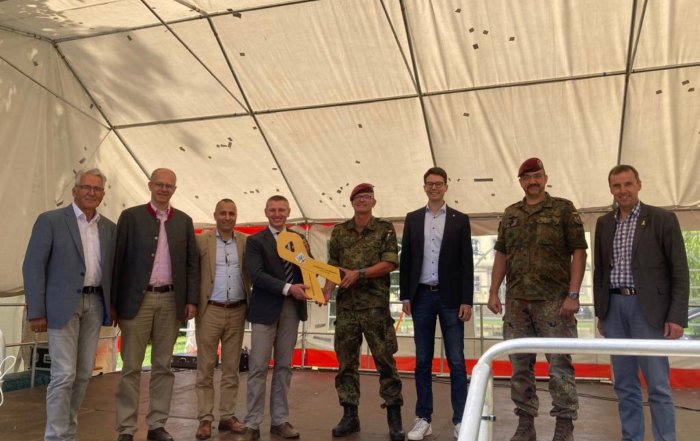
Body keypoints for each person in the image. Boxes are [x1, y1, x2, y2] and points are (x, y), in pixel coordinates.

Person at [487, 158, 587, 441]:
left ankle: (564, 427)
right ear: (521, 182)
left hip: (555, 303)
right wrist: (493, 291)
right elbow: (502, 254)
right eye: (527, 177)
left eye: (537, 176)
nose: (532, 181)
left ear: (545, 178)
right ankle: (525, 424)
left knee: (559, 366)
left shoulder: (563, 209)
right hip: (517, 303)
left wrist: (573, 294)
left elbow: (579, 251)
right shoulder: (511, 214)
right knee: (520, 366)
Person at [593, 164, 689, 441]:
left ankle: (665, 438)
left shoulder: (662, 219)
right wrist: (601, 313)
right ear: (610, 189)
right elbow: (600, 272)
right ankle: (631, 437)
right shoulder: (604, 223)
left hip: (649, 311)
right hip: (614, 309)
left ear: (639, 185)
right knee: (624, 384)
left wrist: (676, 316)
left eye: (628, 184)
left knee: (657, 385)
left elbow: (679, 270)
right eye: (617, 185)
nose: (622, 190)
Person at [23, 168, 116, 441]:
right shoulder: (51, 221)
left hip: (95, 304)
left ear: (103, 194)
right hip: (61, 306)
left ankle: (68, 434)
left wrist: (112, 306)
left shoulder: (109, 228)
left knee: (83, 374)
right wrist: (36, 311)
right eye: (86, 187)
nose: (91, 193)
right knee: (64, 374)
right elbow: (33, 266)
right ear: (74, 190)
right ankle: (55, 436)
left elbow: (112, 270)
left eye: (97, 189)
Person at [112, 168, 199, 441]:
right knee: (131, 367)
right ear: (150, 185)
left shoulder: (184, 220)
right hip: (136, 301)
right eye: (159, 184)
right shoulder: (131, 217)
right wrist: (113, 303)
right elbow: (117, 261)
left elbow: (192, 264)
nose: (163, 189)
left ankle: (157, 425)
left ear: (174, 189)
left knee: (163, 365)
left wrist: (191, 300)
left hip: (171, 300)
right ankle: (126, 428)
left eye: (169, 185)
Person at [322, 183, 405, 441]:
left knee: (385, 363)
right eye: (358, 197)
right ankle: (350, 416)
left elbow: (390, 262)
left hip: (375, 308)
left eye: (367, 197)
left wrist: (359, 274)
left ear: (374, 202)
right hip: (346, 308)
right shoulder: (339, 231)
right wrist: (326, 291)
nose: (362, 200)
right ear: (352, 202)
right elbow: (332, 266)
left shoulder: (384, 228)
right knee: (346, 364)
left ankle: (394, 418)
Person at [399, 167, 474, 440]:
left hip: (451, 298)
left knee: (456, 361)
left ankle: (461, 419)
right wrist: (405, 295)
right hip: (421, 297)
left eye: (439, 183)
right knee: (422, 360)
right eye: (430, 184)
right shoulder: (413, 218)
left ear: (446, 186)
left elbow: (467, 262)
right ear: (424, 187)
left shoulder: (459, 219)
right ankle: (423, 419)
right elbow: (406, 259)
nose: (434, 187)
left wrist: (467, 300)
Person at [234, 195, 309, 441]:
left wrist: (310, 276)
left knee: (284, 367)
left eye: (281, 210)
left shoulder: (299, 240)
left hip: (292, 309)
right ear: (266, 212)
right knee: (257, 367)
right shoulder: (256, 241)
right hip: (265, 310)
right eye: (273, 210)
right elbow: (256, 275)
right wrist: (288, 288)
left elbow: (307, 272)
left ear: (288, 212)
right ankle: (252, 423)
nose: (277, 214)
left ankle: (280, 421)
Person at [194, 199, 251, 440]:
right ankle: (205, 419)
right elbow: (191, 272)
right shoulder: (201, 240)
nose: (227, 217)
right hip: (210, 310)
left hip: (237, 310)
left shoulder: (246, 241)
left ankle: (227, 416)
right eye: (223, 213)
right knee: (205, 367)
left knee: (231, 368)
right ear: (215, 215)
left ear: (236, 216)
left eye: (231, 213)